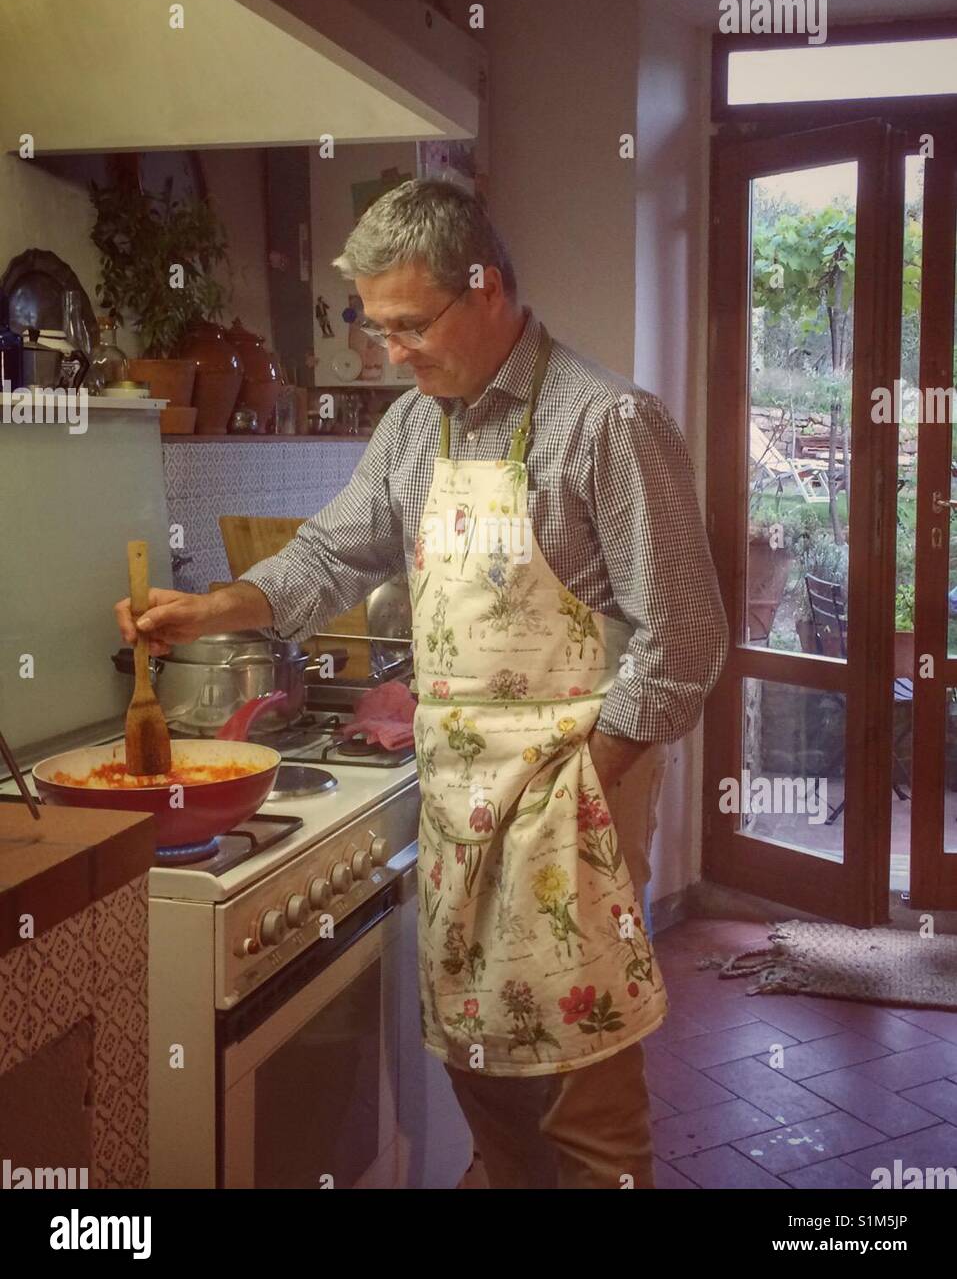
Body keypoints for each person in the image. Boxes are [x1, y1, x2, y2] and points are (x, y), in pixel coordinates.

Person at [115, 178, 728, 1189]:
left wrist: (592, 781)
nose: (390, 350)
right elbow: (324, 561)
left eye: (408, 325)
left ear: (486, 288)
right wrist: (207, 611)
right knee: (484, 1072)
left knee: (584, 1101)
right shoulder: (412, 427)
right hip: (457, 803)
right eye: (376, 326)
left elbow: (687, 637)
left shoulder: (606, 420)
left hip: (569, 801)